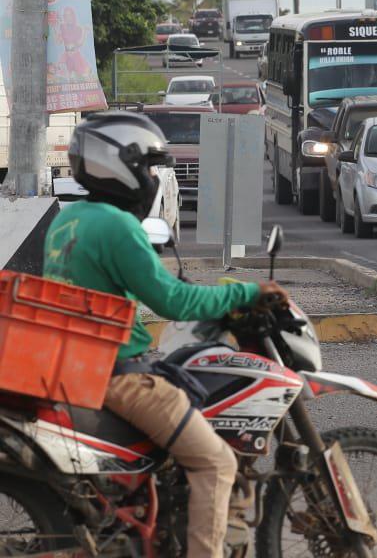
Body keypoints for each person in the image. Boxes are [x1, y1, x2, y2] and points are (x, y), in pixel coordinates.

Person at [43, 112, 290, 558]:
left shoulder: (69, 220)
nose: (152, 178)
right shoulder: (117, 227)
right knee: (216, 463)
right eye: (148, 166)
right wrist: (249, 293)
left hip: (79, 369)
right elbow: (173, 301)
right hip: (120, 378)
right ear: (122, 164)